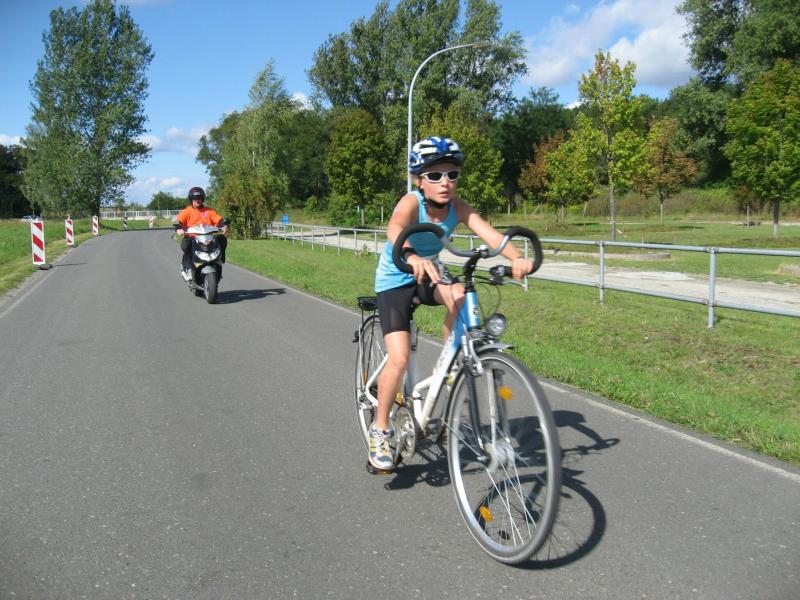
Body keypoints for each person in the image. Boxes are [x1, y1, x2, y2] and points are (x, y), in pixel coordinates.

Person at [368, 136, 534, 471]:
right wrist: (411, 255)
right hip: (397, 278)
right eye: (435, 175)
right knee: (399, 358)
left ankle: (452, 359)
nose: (445, 182)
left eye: (452, 174)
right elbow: (395, 227)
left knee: (459, 294)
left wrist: (517, 256)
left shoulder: (458, 207)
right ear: (419, 180)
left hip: (429, 273)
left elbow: (490, 234)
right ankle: (380, 430)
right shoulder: (411, 202)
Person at [173, 187, 228, 281]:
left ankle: (219, 260)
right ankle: (188, 269)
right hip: (192, 238)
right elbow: (179, 221)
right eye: (195, 199)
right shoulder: (187, 211)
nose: (197, 200)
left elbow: (219, 220)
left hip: (208, 237)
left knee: (222, 238)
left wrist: (224, 225)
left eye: (199, 198)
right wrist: (178, 228)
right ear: (191, 200)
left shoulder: (209, 211)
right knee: (186, 245)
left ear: (202, 199)